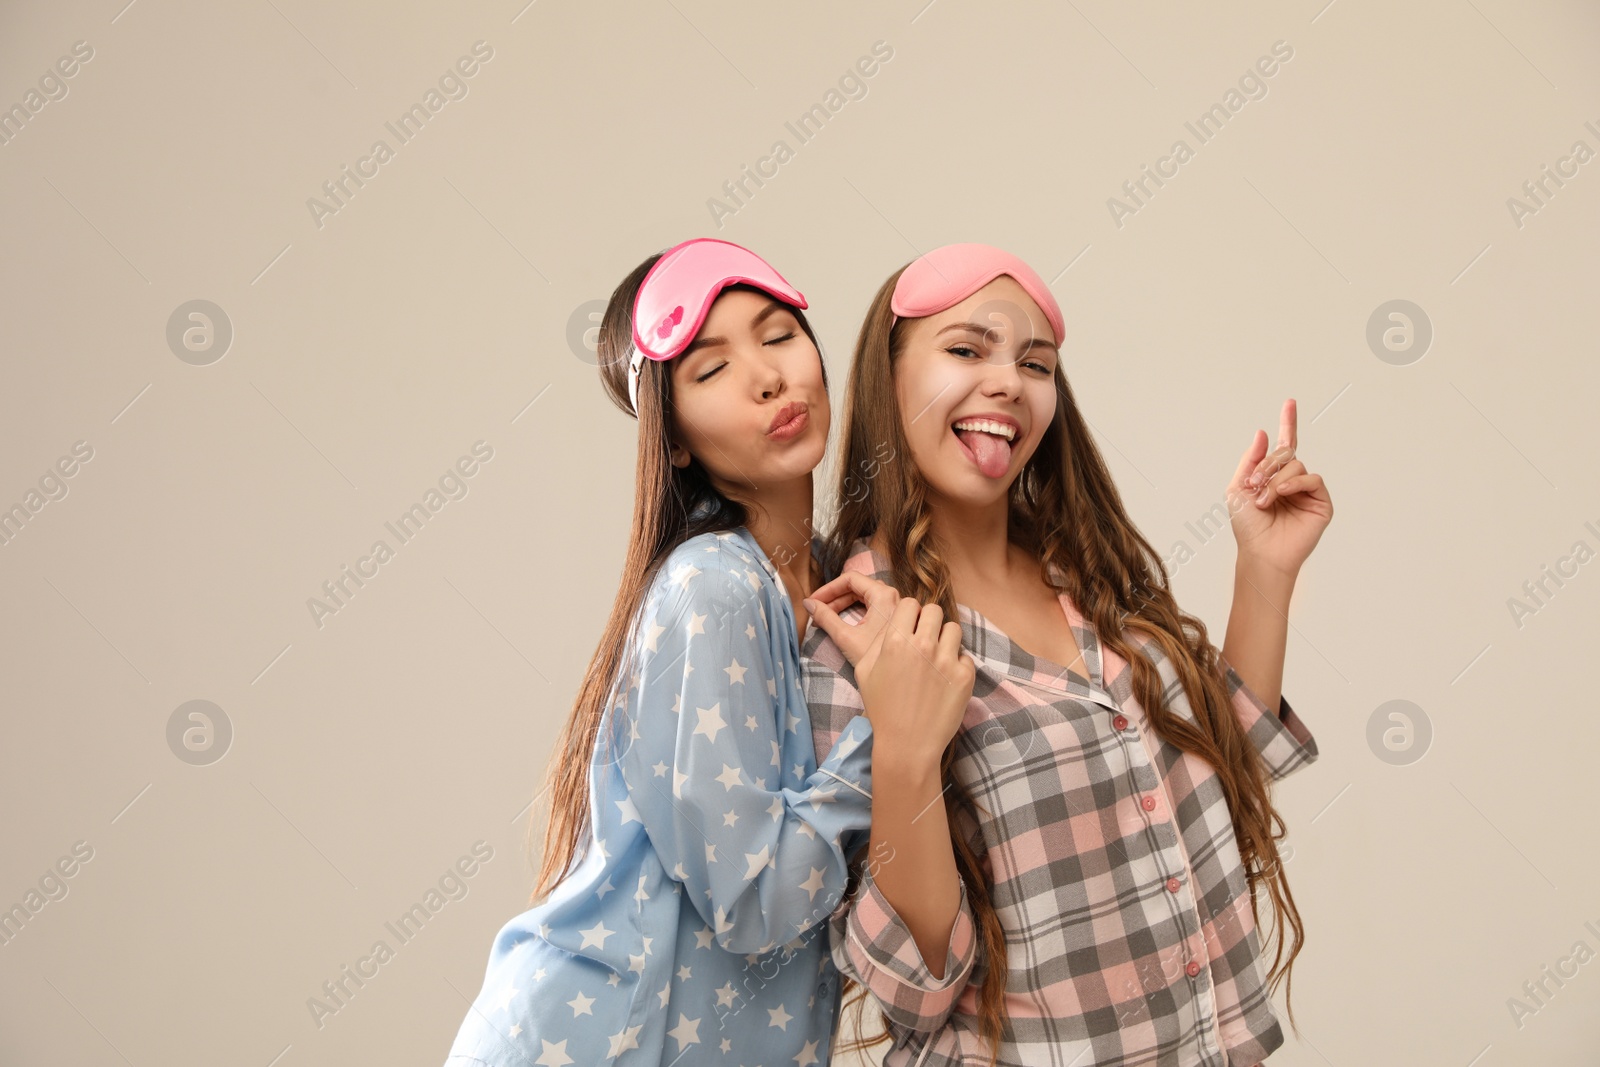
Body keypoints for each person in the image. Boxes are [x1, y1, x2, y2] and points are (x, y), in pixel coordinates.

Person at [800, 243, 1333, 1067]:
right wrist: (908, 751)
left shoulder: (1082, 573)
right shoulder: (862, 626)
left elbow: (1210, 804)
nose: (1009, 381)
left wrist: (1264, 571)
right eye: (967, 349)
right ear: (891, 377)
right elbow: (915, 984)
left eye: (1035, 363)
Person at [441, 238, 892, 1067]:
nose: (768, 377)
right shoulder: (712, 588)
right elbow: (754, 901)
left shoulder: (836, 582)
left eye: (779, 335)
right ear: (675, 440)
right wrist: (891, 728)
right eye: (711, 369)